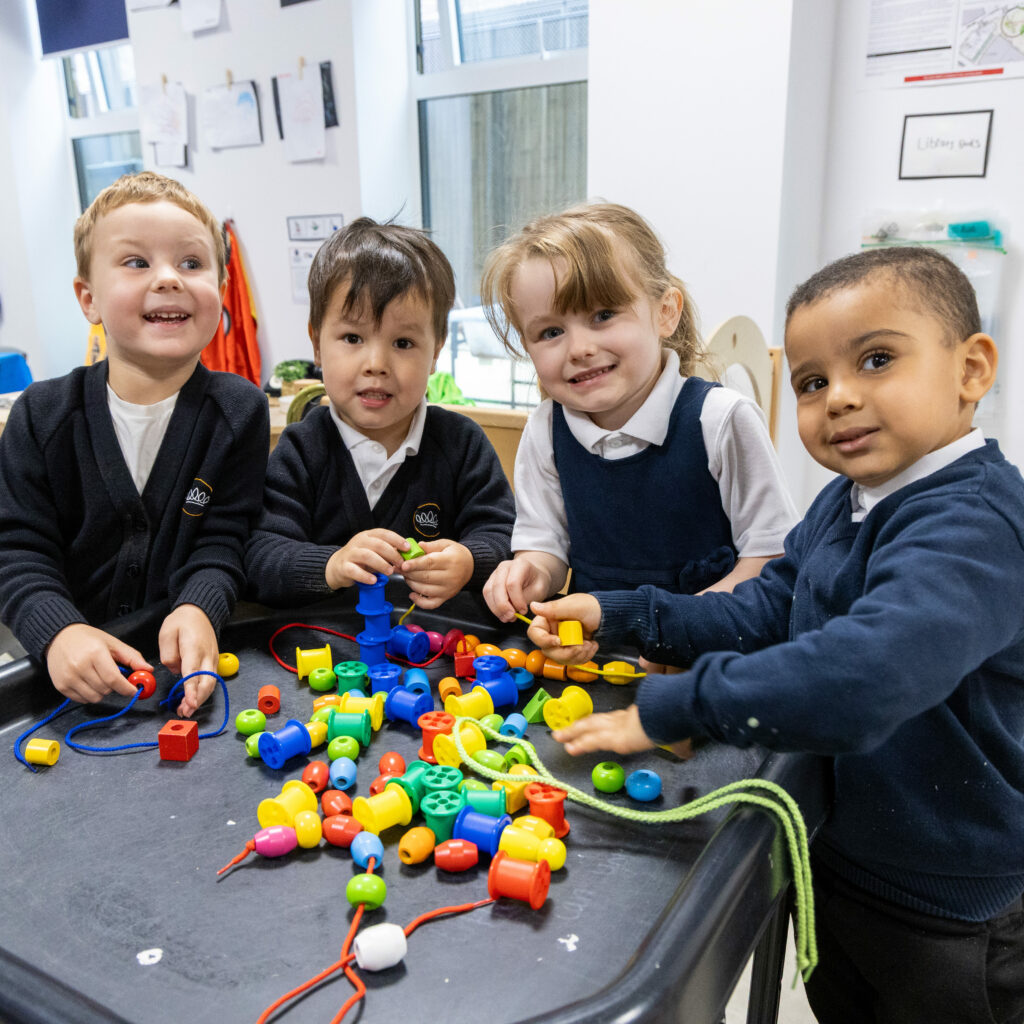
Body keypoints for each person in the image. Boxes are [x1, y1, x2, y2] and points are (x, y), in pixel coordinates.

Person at [528, 246, 1024, 1024]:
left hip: (948, 904)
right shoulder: (847, 500)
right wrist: (619, 612)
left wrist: (680, 705)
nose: (841, 399)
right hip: (840, 853)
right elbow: (765, 609)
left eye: (877, 360)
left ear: (971, 369)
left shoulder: (974, 525)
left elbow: (869, 674)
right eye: (813, 382)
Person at [0, 172, 269, 717]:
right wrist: (59, 633)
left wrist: (199, 606)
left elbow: (223, 541)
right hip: (59, 684)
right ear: (88, 299)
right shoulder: (41, 415)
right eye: (136, 262)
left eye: (191, 263)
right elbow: (17, 553)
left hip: (176, 678)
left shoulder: (240, 410)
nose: (168, 278)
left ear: (220, 291)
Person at [479, 202, 796, 624]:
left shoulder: (721, 419)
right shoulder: (544, 429)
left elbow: (771, 559)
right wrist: (529, 574)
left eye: (603, 315)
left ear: (665, 312)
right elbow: (545, 547)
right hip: (595, 657)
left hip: (708, 653)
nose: (579, 349)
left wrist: (673, 626)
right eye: (551, 332)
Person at [245, 218, 514, 610]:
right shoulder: (302, 449)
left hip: (435, 655)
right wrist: (332, 565)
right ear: (317, 344)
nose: (376, 363)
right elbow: (260, 557)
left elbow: (505, 536)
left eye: (403, 342)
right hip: (325, 654)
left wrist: (471, 562)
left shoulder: (462, 443)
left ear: (436, 352)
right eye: (352, 338)